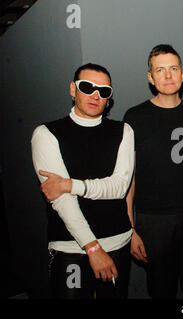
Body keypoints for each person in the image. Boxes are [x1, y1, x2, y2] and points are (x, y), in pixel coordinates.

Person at [31, 63, 135, 299]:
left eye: (104, 90)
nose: (95, 95)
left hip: (118, 242)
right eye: (87, 87)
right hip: (71, 249)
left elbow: (119, 188)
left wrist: (70, 184)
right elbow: (62, 202)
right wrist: (93, 247)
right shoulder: (46, 134)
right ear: (72, 89)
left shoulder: (123, 131)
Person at [123, 44, 183, 299]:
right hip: (154, 221)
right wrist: (130, 228)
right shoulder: (135, 117)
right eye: (160, 70)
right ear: (150, 78)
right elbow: (130, 177)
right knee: (161, 290)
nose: (168, 76)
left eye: (173, 69)